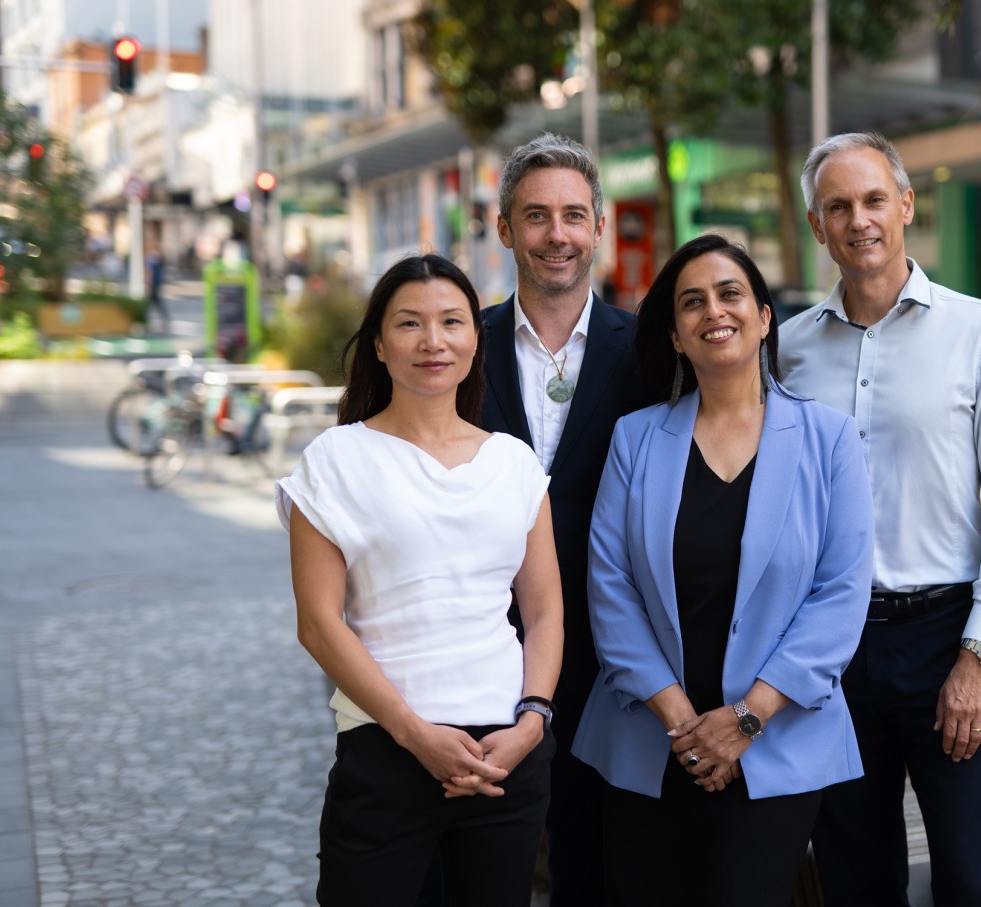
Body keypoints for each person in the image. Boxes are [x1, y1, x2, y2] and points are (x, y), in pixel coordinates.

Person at [572, 234, 875, 906]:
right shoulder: (635, 437)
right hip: (649, 739)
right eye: (692, 302)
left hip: (777, 741)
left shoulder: (830, 439)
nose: (714, 310)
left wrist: (744, 720)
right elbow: (610, 586)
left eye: (730, 293)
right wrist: (685, 726)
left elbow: (841, 593)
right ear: (676, 336)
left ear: (764, 318)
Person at [778, 132, 981, 906]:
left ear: (906, 207)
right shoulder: (787, 349)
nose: (858, 220)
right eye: (837, 207)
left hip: (946, 638)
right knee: (854, 880)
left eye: (873, 200)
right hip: (832, 644)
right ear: (817, 226)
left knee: (974, 880)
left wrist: (980, 656)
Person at [275, 254, 564, 905]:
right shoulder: (335, 458)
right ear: (379, 344)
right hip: (387, 749)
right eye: (409, 323)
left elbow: (545, 609)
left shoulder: (513, 462)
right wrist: (413, 733)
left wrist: (533, 722)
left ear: (475, 339)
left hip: (506, 755)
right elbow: (318, 624)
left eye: (451, 322)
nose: (433, 341)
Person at [480, 132, 642, 905]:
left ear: (599, 227)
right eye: (536, 215)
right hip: (479, 643)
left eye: (574, 215)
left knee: (594, 863)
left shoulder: (648, 351)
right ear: (504, 227)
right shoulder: (458, 346)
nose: (557, 234)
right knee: (479, 861)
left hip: (612, 651)